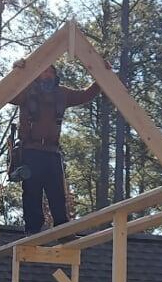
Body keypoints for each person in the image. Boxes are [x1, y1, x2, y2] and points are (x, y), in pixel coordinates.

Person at [10, 64, 101, 234]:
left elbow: (85, 95)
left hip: (52, 152)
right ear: (37, 75)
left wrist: (101, 78)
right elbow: (8, 93)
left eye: (51, 72)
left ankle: (62, 230)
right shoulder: (27, 91)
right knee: (32, 192)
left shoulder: (62, 94)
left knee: (57, 193)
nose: (47, 75)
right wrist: (17, 72)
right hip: (30, 150)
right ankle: (32, 230)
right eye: (44, 71)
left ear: (55, 76)